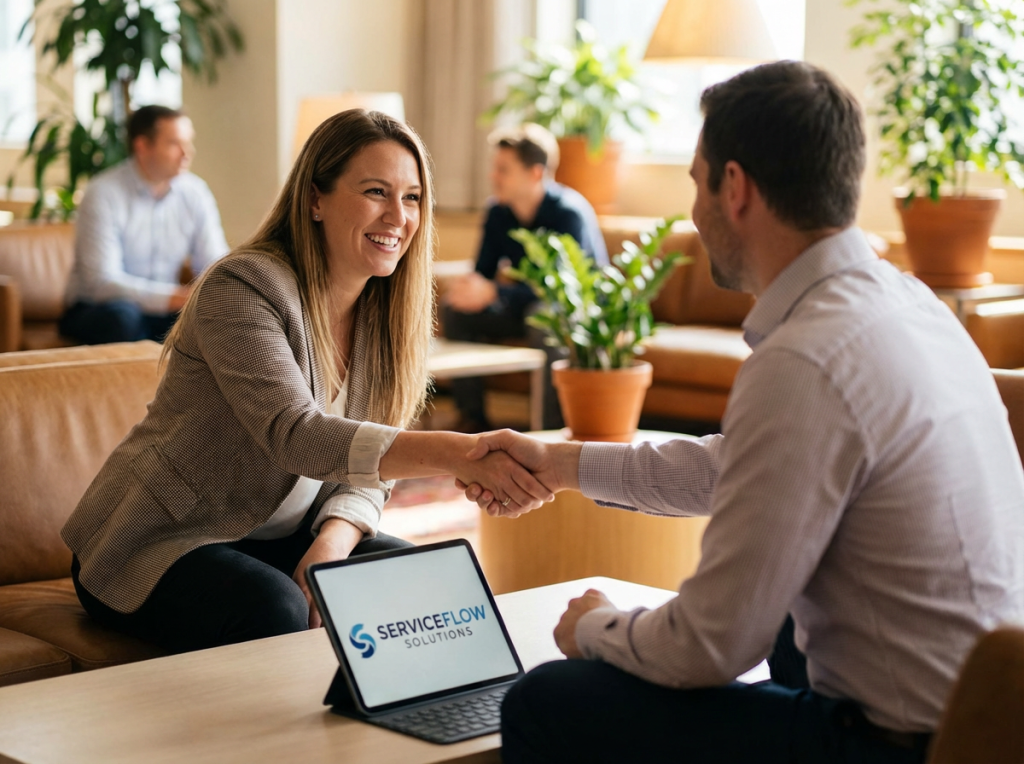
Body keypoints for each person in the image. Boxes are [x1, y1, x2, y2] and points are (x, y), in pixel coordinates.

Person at [464, 61, 1024, 763]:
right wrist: (562, 465)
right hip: (989, 713)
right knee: (791, 629)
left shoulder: (806, 358)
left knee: (546, 700)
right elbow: (743, 465)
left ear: (735, 188)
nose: (695, 212)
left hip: (899, 747)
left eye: (696, 182)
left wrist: (596, 630)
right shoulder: (912, 306)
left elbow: (710, 645)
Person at [61, 109, 552, 655]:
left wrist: (333, 541)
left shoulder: (385, 314)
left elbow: (368, 469)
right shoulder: (244, 287)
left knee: (427, 586)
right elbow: (297, 434)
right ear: (315, 198)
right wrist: (461, 453)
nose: (398, 216)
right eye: (375, 192)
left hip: (277, 536)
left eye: (412, 197)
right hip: (161, 537)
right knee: (275, 607)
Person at [441, 123, 608, 431]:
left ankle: (549, 430)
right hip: (525, 305)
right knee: (455, 310)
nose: (494, 177)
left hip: (573, 311)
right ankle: (472, 422)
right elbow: (483, 275)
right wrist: (471, 290)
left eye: (503, 169)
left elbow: (561, 292)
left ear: (534, 173)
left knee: (544, 318)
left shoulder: (568, 214)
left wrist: (494, 294)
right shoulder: (497, 212)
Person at [60, 105, 229, 344]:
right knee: (125, 317)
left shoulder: (196, 193)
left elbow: (215, 264)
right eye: (174, 144)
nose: (187, 153)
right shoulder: (103, 193)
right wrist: (174, 298)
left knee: (217, 316)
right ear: (142, 146)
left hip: (165, 309)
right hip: (98, 308)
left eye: (188, 142)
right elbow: (102, 283)